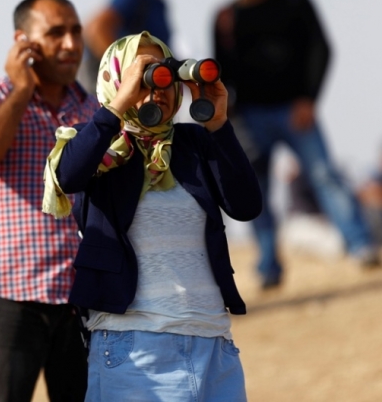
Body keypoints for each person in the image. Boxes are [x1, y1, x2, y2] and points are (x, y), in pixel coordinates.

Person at [43, 32, 261, 401]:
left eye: (165, 75)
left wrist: (219, 124)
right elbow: (69, 175)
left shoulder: (193, 143)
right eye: (144, 74)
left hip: (212, 341)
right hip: (135, 348)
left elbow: (245, 206)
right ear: (117, 80)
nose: (158, 86)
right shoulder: (97, 145)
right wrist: (116, 109)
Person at [0, 0, 99, 401]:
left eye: (75, 31)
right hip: (9, 298)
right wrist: (20, 90)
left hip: (84, 300)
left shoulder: (95, 111)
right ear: (23, 42)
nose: (70, 44)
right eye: (55, 33)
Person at [213, 0, 379, 288]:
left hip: (295, 110)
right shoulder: (226, 17)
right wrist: (230, 120)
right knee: (255, 191)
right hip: (250, 117)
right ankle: (269, 266)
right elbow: (221, 76)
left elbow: (320, 47)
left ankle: (360, 245)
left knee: (323, 175)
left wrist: (309, 98)